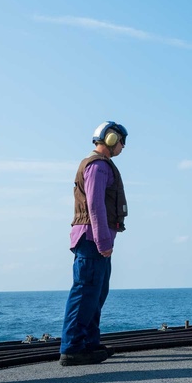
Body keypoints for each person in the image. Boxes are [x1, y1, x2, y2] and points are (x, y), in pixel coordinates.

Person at [59, 121, 129, 365]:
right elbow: (95, 206)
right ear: (110, 139)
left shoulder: (101, 165)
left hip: (95, 239)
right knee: (85, 292)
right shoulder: (98, 166)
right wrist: (102, 241)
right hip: (92, 239)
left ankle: (89, 343)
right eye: (121, 141)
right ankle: (72, 348)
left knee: (95, 293)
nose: (122, 146)